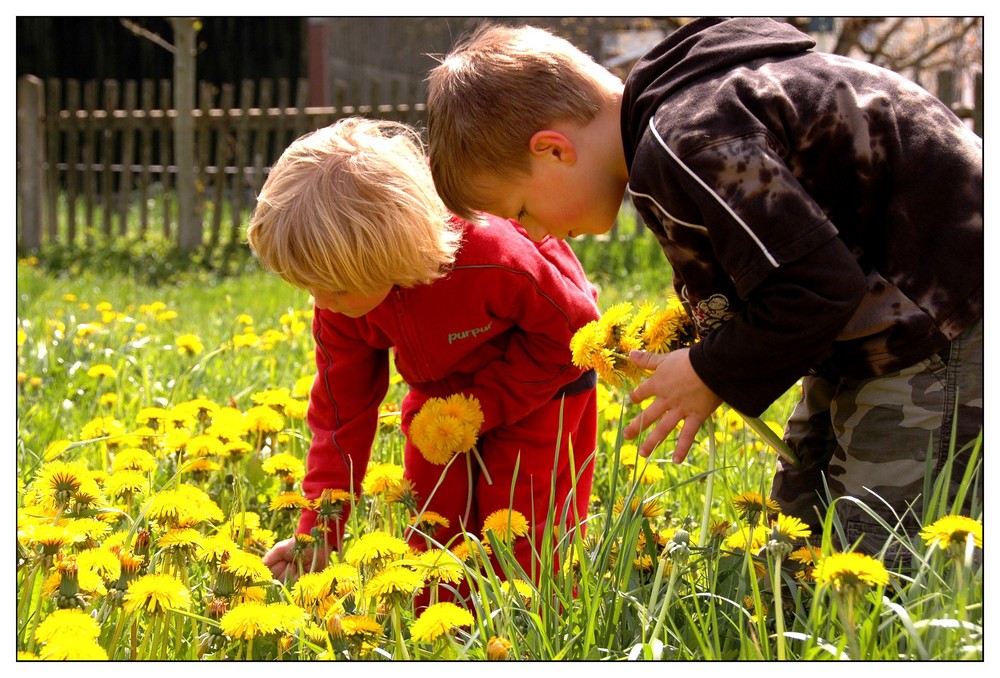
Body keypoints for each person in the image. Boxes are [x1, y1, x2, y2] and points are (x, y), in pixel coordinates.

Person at [425, 18, 983, 560]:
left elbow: (815, 284)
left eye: (522, 211)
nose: (535, 234)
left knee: (886, 540)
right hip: (873, 320)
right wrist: (693, 339)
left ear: (553, 149)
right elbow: (768, 267)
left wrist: (709, 372)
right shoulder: (671, 129)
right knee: (798, 514)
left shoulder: (686, 140)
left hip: (943, 312)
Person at [246, 117, 600, 586]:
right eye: (307, 286)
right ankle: (439, 639)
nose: (320, 301)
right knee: (432, 527)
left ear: (387, 255)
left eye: (332, 287)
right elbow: (339, 416)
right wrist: (320, 533)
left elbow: (575, 332)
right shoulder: (341, 306)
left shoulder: (488, 253)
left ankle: (526, 635)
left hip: (545, 382)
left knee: (518, 530)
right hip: (441, 393)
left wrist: (485, 406)